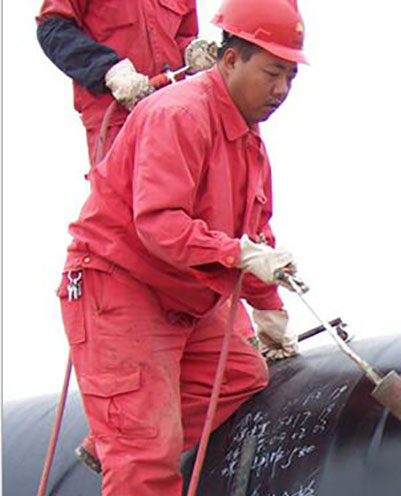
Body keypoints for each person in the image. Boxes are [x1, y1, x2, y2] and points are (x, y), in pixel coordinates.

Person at [56, 0, 308, 493]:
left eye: (290, 77)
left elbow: (255, 232)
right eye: (272, 73)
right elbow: (159, 224)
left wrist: (269, 311)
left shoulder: (248, 140)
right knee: (144, 462)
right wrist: (239, 256)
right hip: (120, 286)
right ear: (230, 59)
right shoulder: (179, 113)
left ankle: (119, 440)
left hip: (181, 295)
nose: (281, 90)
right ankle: (131, 446)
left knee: (239, 374)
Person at [36, 0, 218, 168]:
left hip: (172, 117)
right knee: (121, 193)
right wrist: (109, 71)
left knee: (179, 190)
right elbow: (52, 28)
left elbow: (181, 34)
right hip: (116, 121)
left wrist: (191, 51)